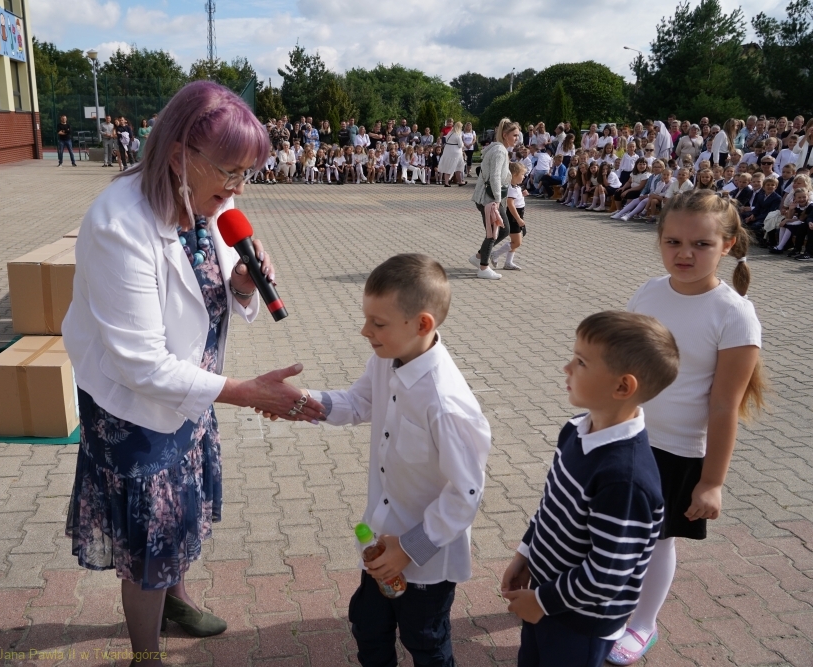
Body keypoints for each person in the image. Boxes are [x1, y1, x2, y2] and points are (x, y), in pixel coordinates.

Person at [62, 81, 326, 667]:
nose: (238, 188)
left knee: (179, 515)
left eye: (247, 173)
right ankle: (146, 654)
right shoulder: (117, 225)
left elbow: (215, 291)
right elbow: (138, 362)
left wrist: (243, 285)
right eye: (230, 172)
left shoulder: (210, 204)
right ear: (181, 156)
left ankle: (176, 602)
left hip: (192, 392)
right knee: (150, 536)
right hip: (135, 407)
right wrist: (246, 393)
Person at [285, 254, 491, 667]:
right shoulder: (387, 360)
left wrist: (410, 548)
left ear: (422, 324)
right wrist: (301, 402)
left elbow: (465, 493)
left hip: (426, 559)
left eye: (377, 323)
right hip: (380, 540)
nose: (365, 331)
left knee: (425, 641)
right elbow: (358, 402)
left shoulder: (445, 403)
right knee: (368, 626)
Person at [609, 190, 764, 665]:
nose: (685, 253)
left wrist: (712, 482)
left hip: (676, 451)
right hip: (626, 435)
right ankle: (597, 602)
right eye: (673, 241)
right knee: (610, 529)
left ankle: (642, 624)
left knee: (657, 541)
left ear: (728, 245)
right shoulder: (649, 292)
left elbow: (724, 405)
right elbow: (623, 365)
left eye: (701, 244)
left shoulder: (734, 314)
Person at [503, 311, 677, 667]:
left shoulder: (625, 480)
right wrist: (526, 554)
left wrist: (542, 602)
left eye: (581, 362)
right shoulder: (575, 430)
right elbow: (551, 507)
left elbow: (607, 574)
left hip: (581, 624)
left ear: (622, 387)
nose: (567, 368)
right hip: (546, 596)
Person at [469, 118, 518, 280]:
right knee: (493, 233)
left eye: (517, 135)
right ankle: (483, 267)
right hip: (489, 198)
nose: (517, 138)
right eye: (514, 135)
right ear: (505, 135)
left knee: (502, 230)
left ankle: (479, 257)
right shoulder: (499, 151)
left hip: (489, 197)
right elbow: (495, 176)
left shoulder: (499, 149)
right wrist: (497, 199)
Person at [488, 162, 527, 270]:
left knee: (517, 240)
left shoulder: (516, 187)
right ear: (514, 175)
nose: (524, 177)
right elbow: (510, 204)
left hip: (518, 214)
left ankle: (508, 262)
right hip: (513, 217)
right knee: (517, 242)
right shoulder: (511, 188)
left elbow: (516, 200)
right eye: (522, 174)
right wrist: (518, 219)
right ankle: (495, 254)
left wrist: (522, 195)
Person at [437, 122, 466, 187]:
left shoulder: (450, 132)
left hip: (447, 150)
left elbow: (445, 139)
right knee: (458, 167)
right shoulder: (458, 134)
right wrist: (463, 144)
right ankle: (459, 181)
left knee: (448, 166)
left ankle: (447, 182)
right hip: (456, 153)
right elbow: (460, 145)